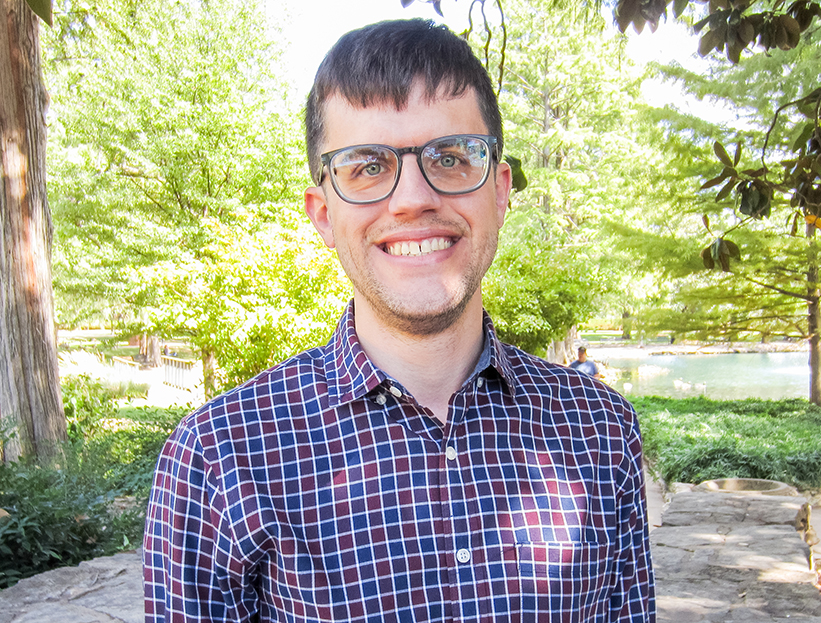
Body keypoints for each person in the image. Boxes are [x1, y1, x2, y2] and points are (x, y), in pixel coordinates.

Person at [143, 19, 655, 622]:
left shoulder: (602, 429)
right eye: (366, 167)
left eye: (452, 157)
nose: (413, 199)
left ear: (500, 191)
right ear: (323, 213)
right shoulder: (217, 458)